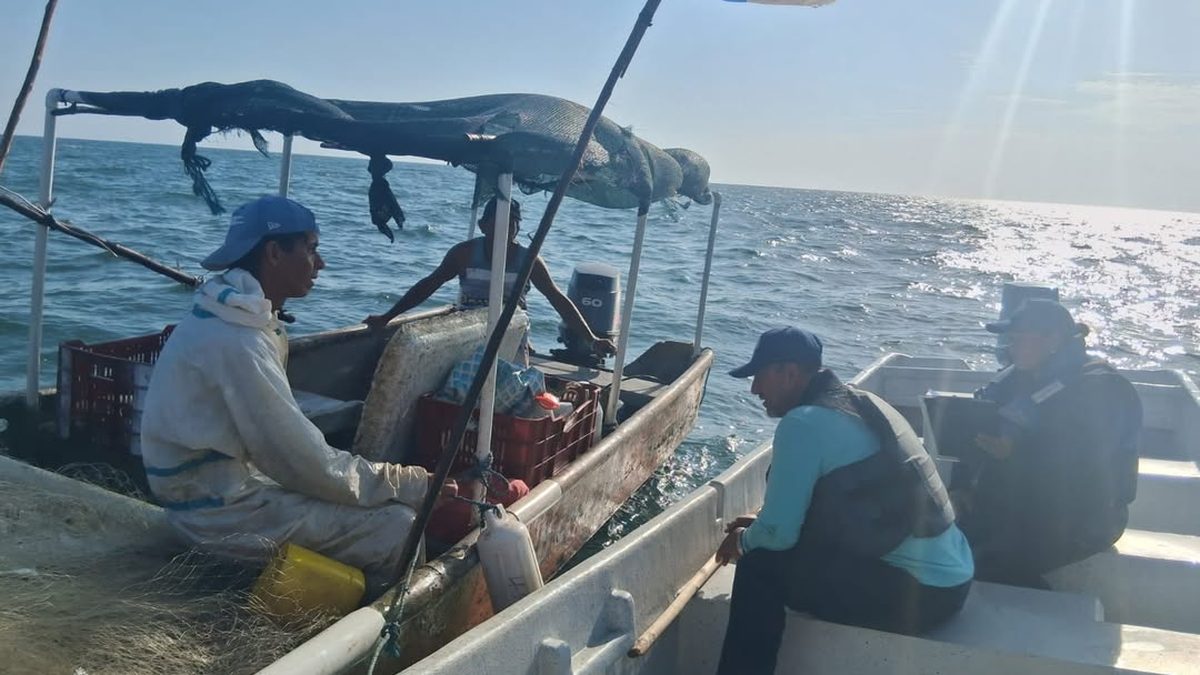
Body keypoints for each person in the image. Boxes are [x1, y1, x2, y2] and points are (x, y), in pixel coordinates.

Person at [140, 195, 455, 593]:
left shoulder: (225, 315)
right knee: (398, 527)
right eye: (311, 249)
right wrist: (412, 484)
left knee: (371, 495)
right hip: (214, 513)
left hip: (205, 490)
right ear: (274, 252)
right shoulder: (239, 341)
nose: (319, 263)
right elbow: (303, 462)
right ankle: (380, 637)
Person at [715, 327, 974, 675]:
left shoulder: (802, 424)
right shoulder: (864, 403)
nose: (754, 389)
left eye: (759, 377)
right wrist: (763, 526)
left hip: (918, 596)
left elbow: (779, 535)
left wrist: (745, 540)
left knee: (759, 565)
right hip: (954, 577)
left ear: (790, 373)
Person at [954, 299, 1142, 587]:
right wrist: (961, 485)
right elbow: (979, 432)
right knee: (940, 539)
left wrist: (1016, 452)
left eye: (1018, 340)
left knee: (983, 561)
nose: (1010, 347)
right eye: (1010, 339)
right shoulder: (1016, 379)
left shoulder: (1104, 389)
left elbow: (1086, 465)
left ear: (1052, 340)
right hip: (1018, 502)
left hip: (1085, 517)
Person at [363, 197, 615, 357]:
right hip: (466, 331)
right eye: (499, 222)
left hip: (510, 331)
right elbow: (429, 285)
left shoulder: (529, 261)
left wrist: (591, 340)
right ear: (484, 225)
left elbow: (557, 299)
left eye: (513, 223)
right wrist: (388, 317)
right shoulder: (463, 253)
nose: (506, 229)